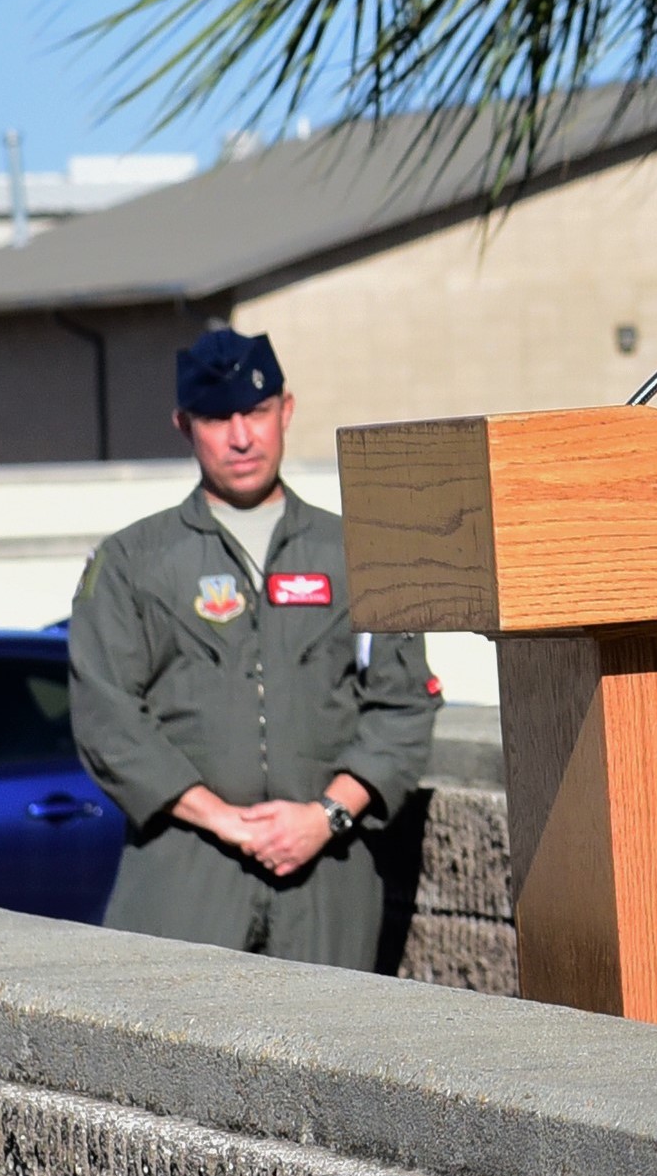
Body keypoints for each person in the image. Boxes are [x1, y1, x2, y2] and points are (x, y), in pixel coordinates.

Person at [69, 327, 437, 967]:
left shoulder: (359, 553)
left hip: (330, 869)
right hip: (186, 864)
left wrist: (325, 816)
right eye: (217, 418)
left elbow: (404, 704)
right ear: (184, 426)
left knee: (330, 1029)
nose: (241, 437)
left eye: (257, 412)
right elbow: (107, 717)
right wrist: (221, 818)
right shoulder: (133, 561)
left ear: (285, 410)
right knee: (171, 1024)